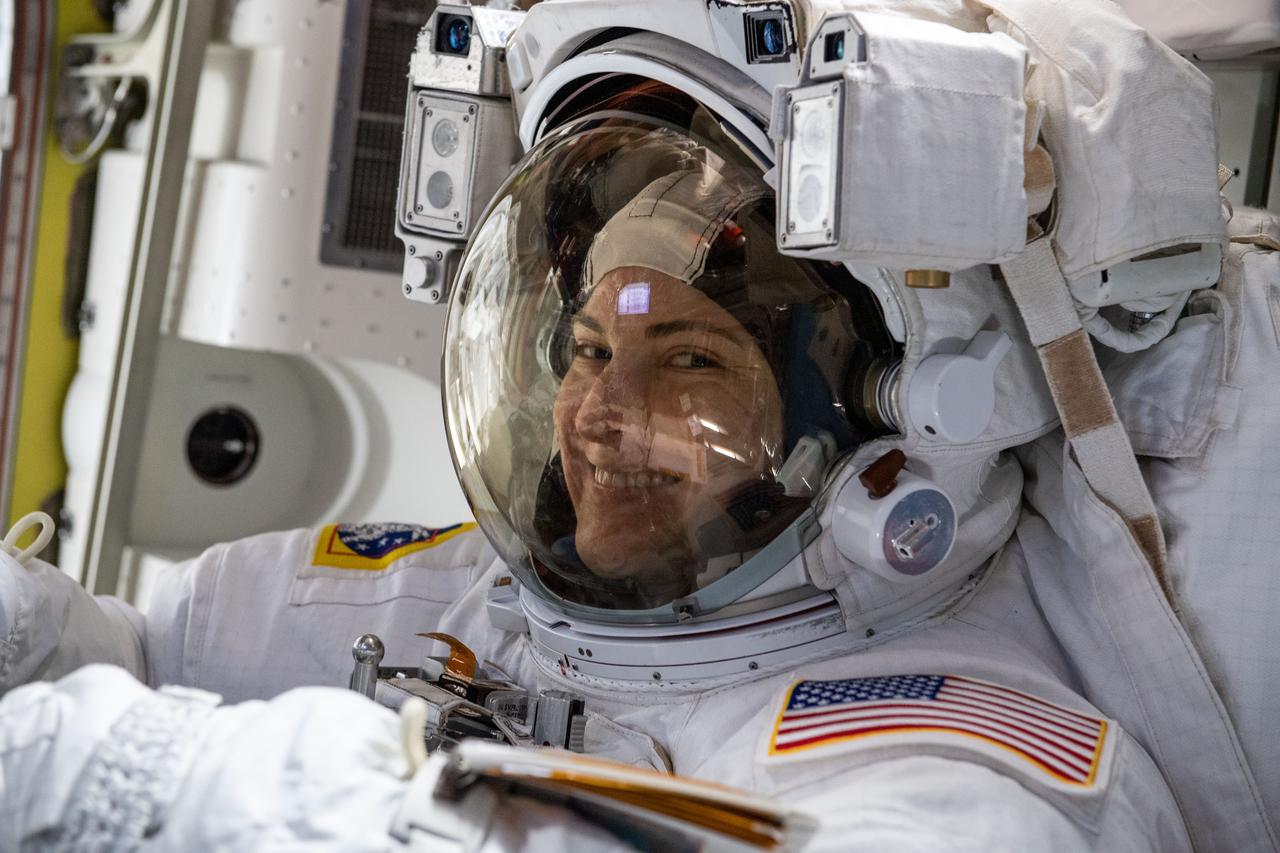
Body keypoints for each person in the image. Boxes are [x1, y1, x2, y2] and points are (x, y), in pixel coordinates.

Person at [0, 1, 1275, 850]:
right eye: (588, 349)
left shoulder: (967, 754)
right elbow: (145, 655)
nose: (601, 415)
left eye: (688, 359)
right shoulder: (458, 594)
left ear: (868, 430)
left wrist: (171, 790)